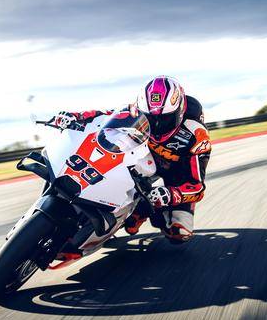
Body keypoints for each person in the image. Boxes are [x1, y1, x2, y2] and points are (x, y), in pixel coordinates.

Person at [52, 76, 211, 244]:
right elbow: (107, 115)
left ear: (180, 111)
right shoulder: (137, 109)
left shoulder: (196, 135)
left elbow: (197, 187)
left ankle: (147, 211)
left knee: (179, 232)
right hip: (144, 157)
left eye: (165, 118)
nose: (157, 124)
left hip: (177, 173)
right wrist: (76, 116)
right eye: (149, 117)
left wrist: (172, 194)